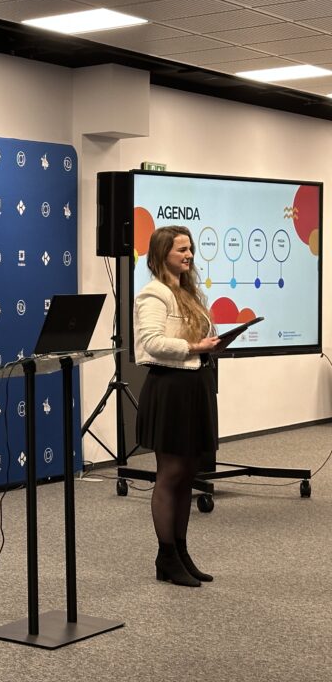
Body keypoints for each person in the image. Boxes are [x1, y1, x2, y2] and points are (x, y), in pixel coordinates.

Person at [133, 225, 220, 587]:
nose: (189, 255)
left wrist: (212, 343)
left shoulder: (187, 292)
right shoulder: (153, 294)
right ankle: (165, 556)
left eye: (190, 249)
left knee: (187, 473)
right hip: (170, 388)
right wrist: (196, 347)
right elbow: (152, 343)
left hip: (194, 385)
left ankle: (181, 552)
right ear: (161, 254)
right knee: (170, 474)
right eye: (181, 250)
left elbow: (195, 336)